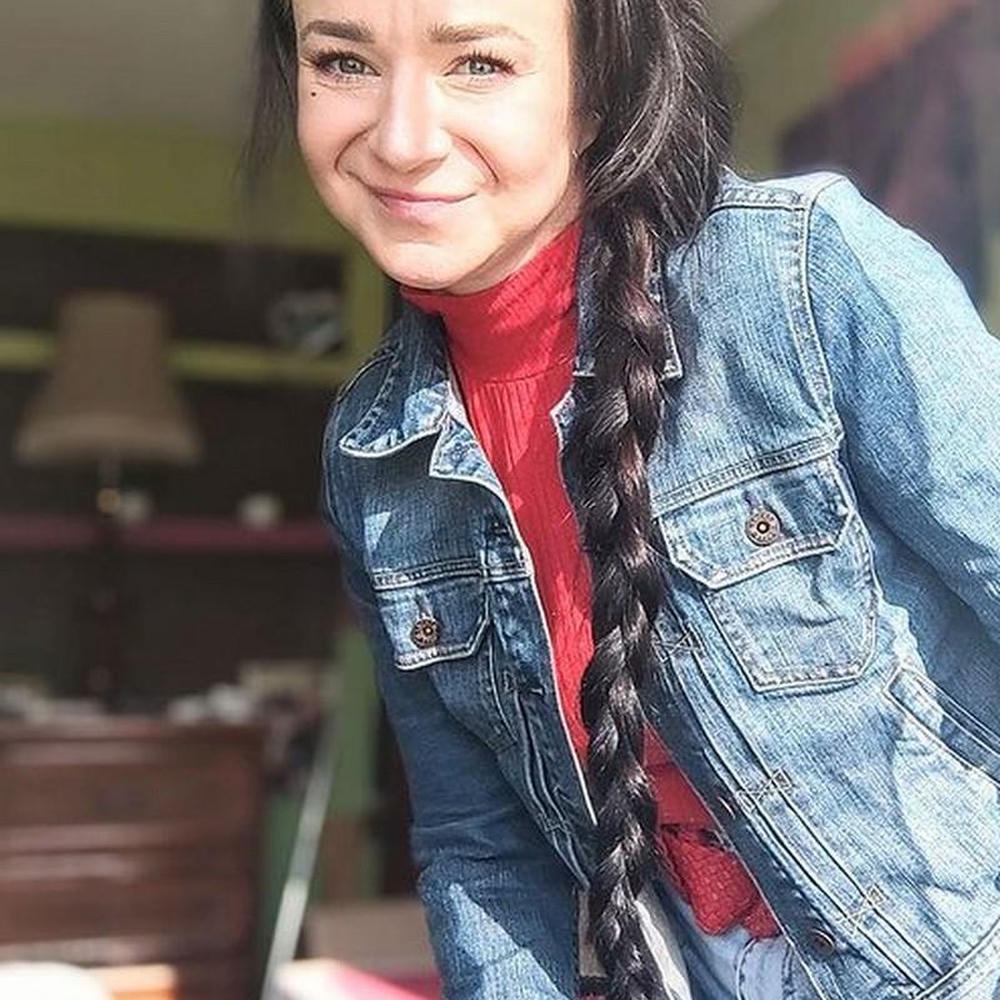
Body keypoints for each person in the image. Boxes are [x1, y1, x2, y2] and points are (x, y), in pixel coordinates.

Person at [243, 1, 1000, 998]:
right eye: (343, 62)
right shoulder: (371, 450)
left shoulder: (802, 277)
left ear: (599, 88)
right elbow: (483, 846)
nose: (401, 139)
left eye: (478, 63)